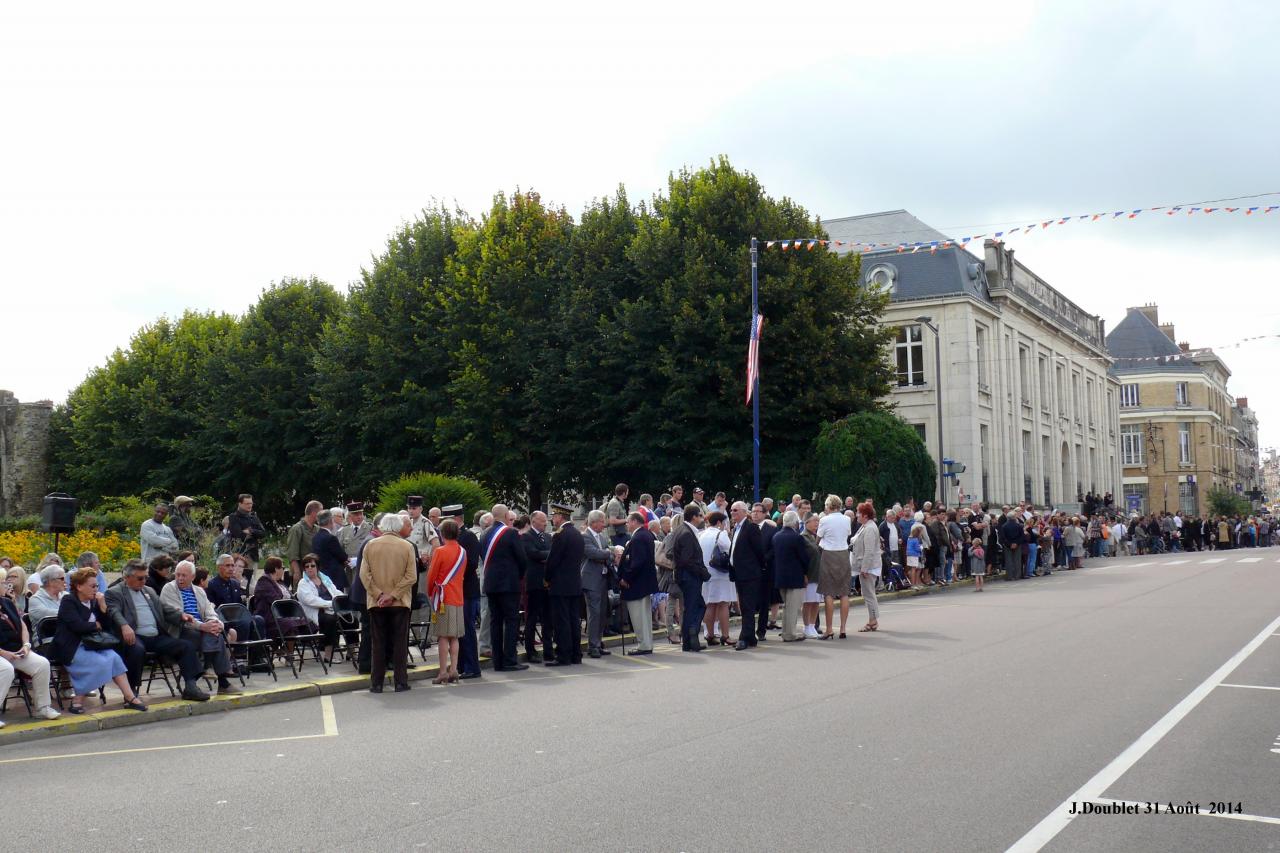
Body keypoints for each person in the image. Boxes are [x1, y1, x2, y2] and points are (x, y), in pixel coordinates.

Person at [105, 560, 210, 701]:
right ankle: (131, 691)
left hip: (155, 636)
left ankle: (190, 687)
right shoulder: (114, 592)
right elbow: (114, 611)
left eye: (146, 577)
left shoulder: (149, 590)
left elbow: (163, 609)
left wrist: (181, 616)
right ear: (127, 577)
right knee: (136, 650)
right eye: (140, 578)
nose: (144, 581)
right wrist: (124, 626)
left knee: (186, 646)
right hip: (135, 635)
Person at [54, 568, 147, 714]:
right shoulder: (68, 601)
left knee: (115, 658)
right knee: (102, 662)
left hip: (91, 644)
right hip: (72, 647)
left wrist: (103, 608)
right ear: (79, 587)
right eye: (92, 586)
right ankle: (77, 700)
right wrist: (94, 625)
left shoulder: (93, 602)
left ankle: (130, 697)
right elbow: (77, 626)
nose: (96, 589)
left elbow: (105, 626)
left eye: (97, 586)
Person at [160, 560, 240, 694]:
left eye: (184, 575)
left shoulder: (199, 591)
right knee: (211, 634)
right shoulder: (169, 588)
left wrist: (216, 623)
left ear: (192, 577)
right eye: (178, 575)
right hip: (180, 629)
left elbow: (209, 611)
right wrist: (202, 626)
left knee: (216, 631)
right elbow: (178, 615)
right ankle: (221, 680)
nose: (180, 578)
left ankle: (211, 669)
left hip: (201, 629)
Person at [359, 512, 418, 692]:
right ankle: (401, 682)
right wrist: (393, 595)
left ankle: (376, 683)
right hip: (399, 603)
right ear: (399, 527)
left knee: (378, 643)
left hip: (376, 603)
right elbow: (411, 577)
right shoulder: (406, 546)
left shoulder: (370, 545)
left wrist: (379, 595)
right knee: (400, 643)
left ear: (383, 526)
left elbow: (364, 575)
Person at [0, 580, 60, 724]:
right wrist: (4, 653)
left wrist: (26, 644)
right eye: (3, 583)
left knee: (42, 664)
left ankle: (43, 708)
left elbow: (22, 626)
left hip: (16, 650)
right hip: (2, 653)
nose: (6, 586)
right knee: (6, 669)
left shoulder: (7, 603)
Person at [439, 505, 483, 680]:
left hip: (466, 589)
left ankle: (472, 666)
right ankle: (462, 664)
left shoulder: (468, 537)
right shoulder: (456, 537)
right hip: (456, 590)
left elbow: (471, 564)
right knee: (459, 631)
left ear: (456, 519)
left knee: (467, 630)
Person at [544, 503, 585, 667]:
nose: (552, 520)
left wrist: (547, 579)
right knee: (574, 620)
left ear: (560, 517)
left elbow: (552, 561)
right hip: (574, 583)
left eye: (554, 516)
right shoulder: (577, 534)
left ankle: (563, 655)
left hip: (560, 585)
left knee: (562, 621)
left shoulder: (560, 535)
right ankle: (576, 654)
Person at [426, 520, 466, 683]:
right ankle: (454, 669)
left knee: (443, 636)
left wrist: (430, 592)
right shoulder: (463, 551)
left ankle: (443, 671)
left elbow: (431, 575)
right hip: (458, 597)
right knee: (454, 636)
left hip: (443, 598)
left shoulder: (440, 551)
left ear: (442, 534)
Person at [727, 501, 766, 650]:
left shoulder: (751, 528)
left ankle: (744, 637)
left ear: (744, 512)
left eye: (735, 510)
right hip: (739, 573)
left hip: (750, 573)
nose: (732, 513)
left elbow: (759, 550)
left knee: (748, 606)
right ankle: (750, 637)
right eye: (731, 510)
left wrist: (759, 567)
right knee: (744, 606)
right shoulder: (735, 528)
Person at [617, 512, 657, 654]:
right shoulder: (645, 534)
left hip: (636, 583)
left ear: (634, 521)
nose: (626, 524)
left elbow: (637, 562)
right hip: (642, 582)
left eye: (628, 522)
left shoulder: (638, 537)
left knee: (639, 616)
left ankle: (643, 645)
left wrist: (626, 578)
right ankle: (646, 643)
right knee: (644, 616)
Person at [671, 504, 708, 652]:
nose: (702, 518)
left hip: (687, 576)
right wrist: (702, 571)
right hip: (689, 577)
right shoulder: (686, 533)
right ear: (694, 517)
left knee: (692, 607)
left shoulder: (683, 530)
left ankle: (688, 641)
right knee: (695, 607)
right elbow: (686, 560)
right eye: (700, 515)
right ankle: (692, 633)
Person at [816, 495, 852, 640]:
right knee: (844, 593)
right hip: (843, 554)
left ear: (829, 506)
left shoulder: (824, 519)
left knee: (828, 592)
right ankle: (843, 628)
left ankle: (829, 629)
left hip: (829, 554)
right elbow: (847, 534)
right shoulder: (847, 519)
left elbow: (818, 539)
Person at [581, 510, 615, 659]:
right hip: (591, 581)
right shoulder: (585, 537)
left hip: (602, 579)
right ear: (594, 522)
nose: (604, 524)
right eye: (602, 521)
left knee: (602, 613)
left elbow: (609, 555)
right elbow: (593, 553)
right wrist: (607, 553)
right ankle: (592, 645)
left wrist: (606, 553)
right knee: (594, 613)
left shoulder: (602, 537)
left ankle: (598, 642)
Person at [296, 555, 344, 661]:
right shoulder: (303, 583)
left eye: (312, 565)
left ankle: (351, 650)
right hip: (316, 612)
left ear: (317, 567)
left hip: (332, 608)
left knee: (349, 617)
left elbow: (335, 592)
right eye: (306, 566)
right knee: (329, 620)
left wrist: (340, 600)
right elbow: (311, 600)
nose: (309, 568)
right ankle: (328, 654)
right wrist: (331, 604)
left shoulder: (325, 579)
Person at [697, 511, 733, 646]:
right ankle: (725, 635)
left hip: (706, 574)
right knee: (723, 604)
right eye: (724, 523)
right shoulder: (721, 534)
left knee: (710, 604)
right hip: (720, 574)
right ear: (719, 523)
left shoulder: (701, 535)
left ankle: (710, 634)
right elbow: (730, 551)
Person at [521, 511, 552, 663]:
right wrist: (547, 555)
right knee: (532, 618)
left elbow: (549, 553)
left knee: (547, 618)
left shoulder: (547, 537)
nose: (546, 523)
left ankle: (548, 649)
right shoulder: (527, 537)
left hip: (547, 582)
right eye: (542, 521)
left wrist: (545, 555)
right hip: (534, 583)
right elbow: (533, 554)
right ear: (534, 521)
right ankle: (530, 650)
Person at [772, 511, 808, 641]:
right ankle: (790, 634)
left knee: (786, 606)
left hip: (781, 576)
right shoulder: (797, 537)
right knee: (793, 607)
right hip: (795, 576)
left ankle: (786, 632)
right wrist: (806, 573)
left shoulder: (776, 536)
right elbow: (803, 558)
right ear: (795, 523)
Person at [850, 501, 882, 632]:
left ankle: (873, 621)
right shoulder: (865, 526)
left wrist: (864, 568)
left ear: (865, 515)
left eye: (858, 513)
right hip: (867, 566)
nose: (857, 515)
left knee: (869, 594)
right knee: (868, 593)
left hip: (868, 567)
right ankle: (873, 619)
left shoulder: (869, 528)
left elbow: (869, 551)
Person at [252, 557, 303, 639]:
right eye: (282, 568)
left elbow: (292, 598)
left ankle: (288, 648)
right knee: (290, 624)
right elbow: (276, 601)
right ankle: (289, 651)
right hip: (271, 617)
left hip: (285, 615)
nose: (283, 570)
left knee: (309, 624)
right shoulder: (264, 581)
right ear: (276, 569)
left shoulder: (280, 582)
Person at [285, 500, 322, 590]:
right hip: (302, 571)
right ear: (314, 513)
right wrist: (297, 572)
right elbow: (292, 553)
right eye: (320, 512)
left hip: (315, 571)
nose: (322, 515)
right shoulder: (297, 529)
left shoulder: (317, 529)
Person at [311, 508, 350, 592]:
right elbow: (341, 555)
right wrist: (346, 559)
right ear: (330, 521)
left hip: (321, 573)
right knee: (337, 600)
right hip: (334, 575)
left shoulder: (315, 537)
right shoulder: (331, 538)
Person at [228, 494, 267, 571]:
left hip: (253, 554)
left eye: (251, 503)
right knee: (241, 580)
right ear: (240, 504)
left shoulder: (253, 517)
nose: (250, 505)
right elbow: (238, 535)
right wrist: (255, 533)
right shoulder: (234, 517)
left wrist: (250, 531)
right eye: (247, 503)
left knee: (252, 581)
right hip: (240, 555)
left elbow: (263, 533)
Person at [27, 565, 68, 636]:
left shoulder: (66, 595)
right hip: (47, 641)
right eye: (62, 578)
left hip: (68, 638)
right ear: (51, 582)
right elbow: (51, 616)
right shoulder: (35, 600)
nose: (65, 581)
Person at [800, 512, 823, 638]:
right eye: (814, 521)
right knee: (808, 602)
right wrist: (803, 574)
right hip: (809, 574)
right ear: (807, 522)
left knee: (816, 602)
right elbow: (801, 558)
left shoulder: (815, 536)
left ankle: (812, 626)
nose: (816, 524)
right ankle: (806, 626)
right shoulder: (803, 537)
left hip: (817, 574)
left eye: (817, 521)